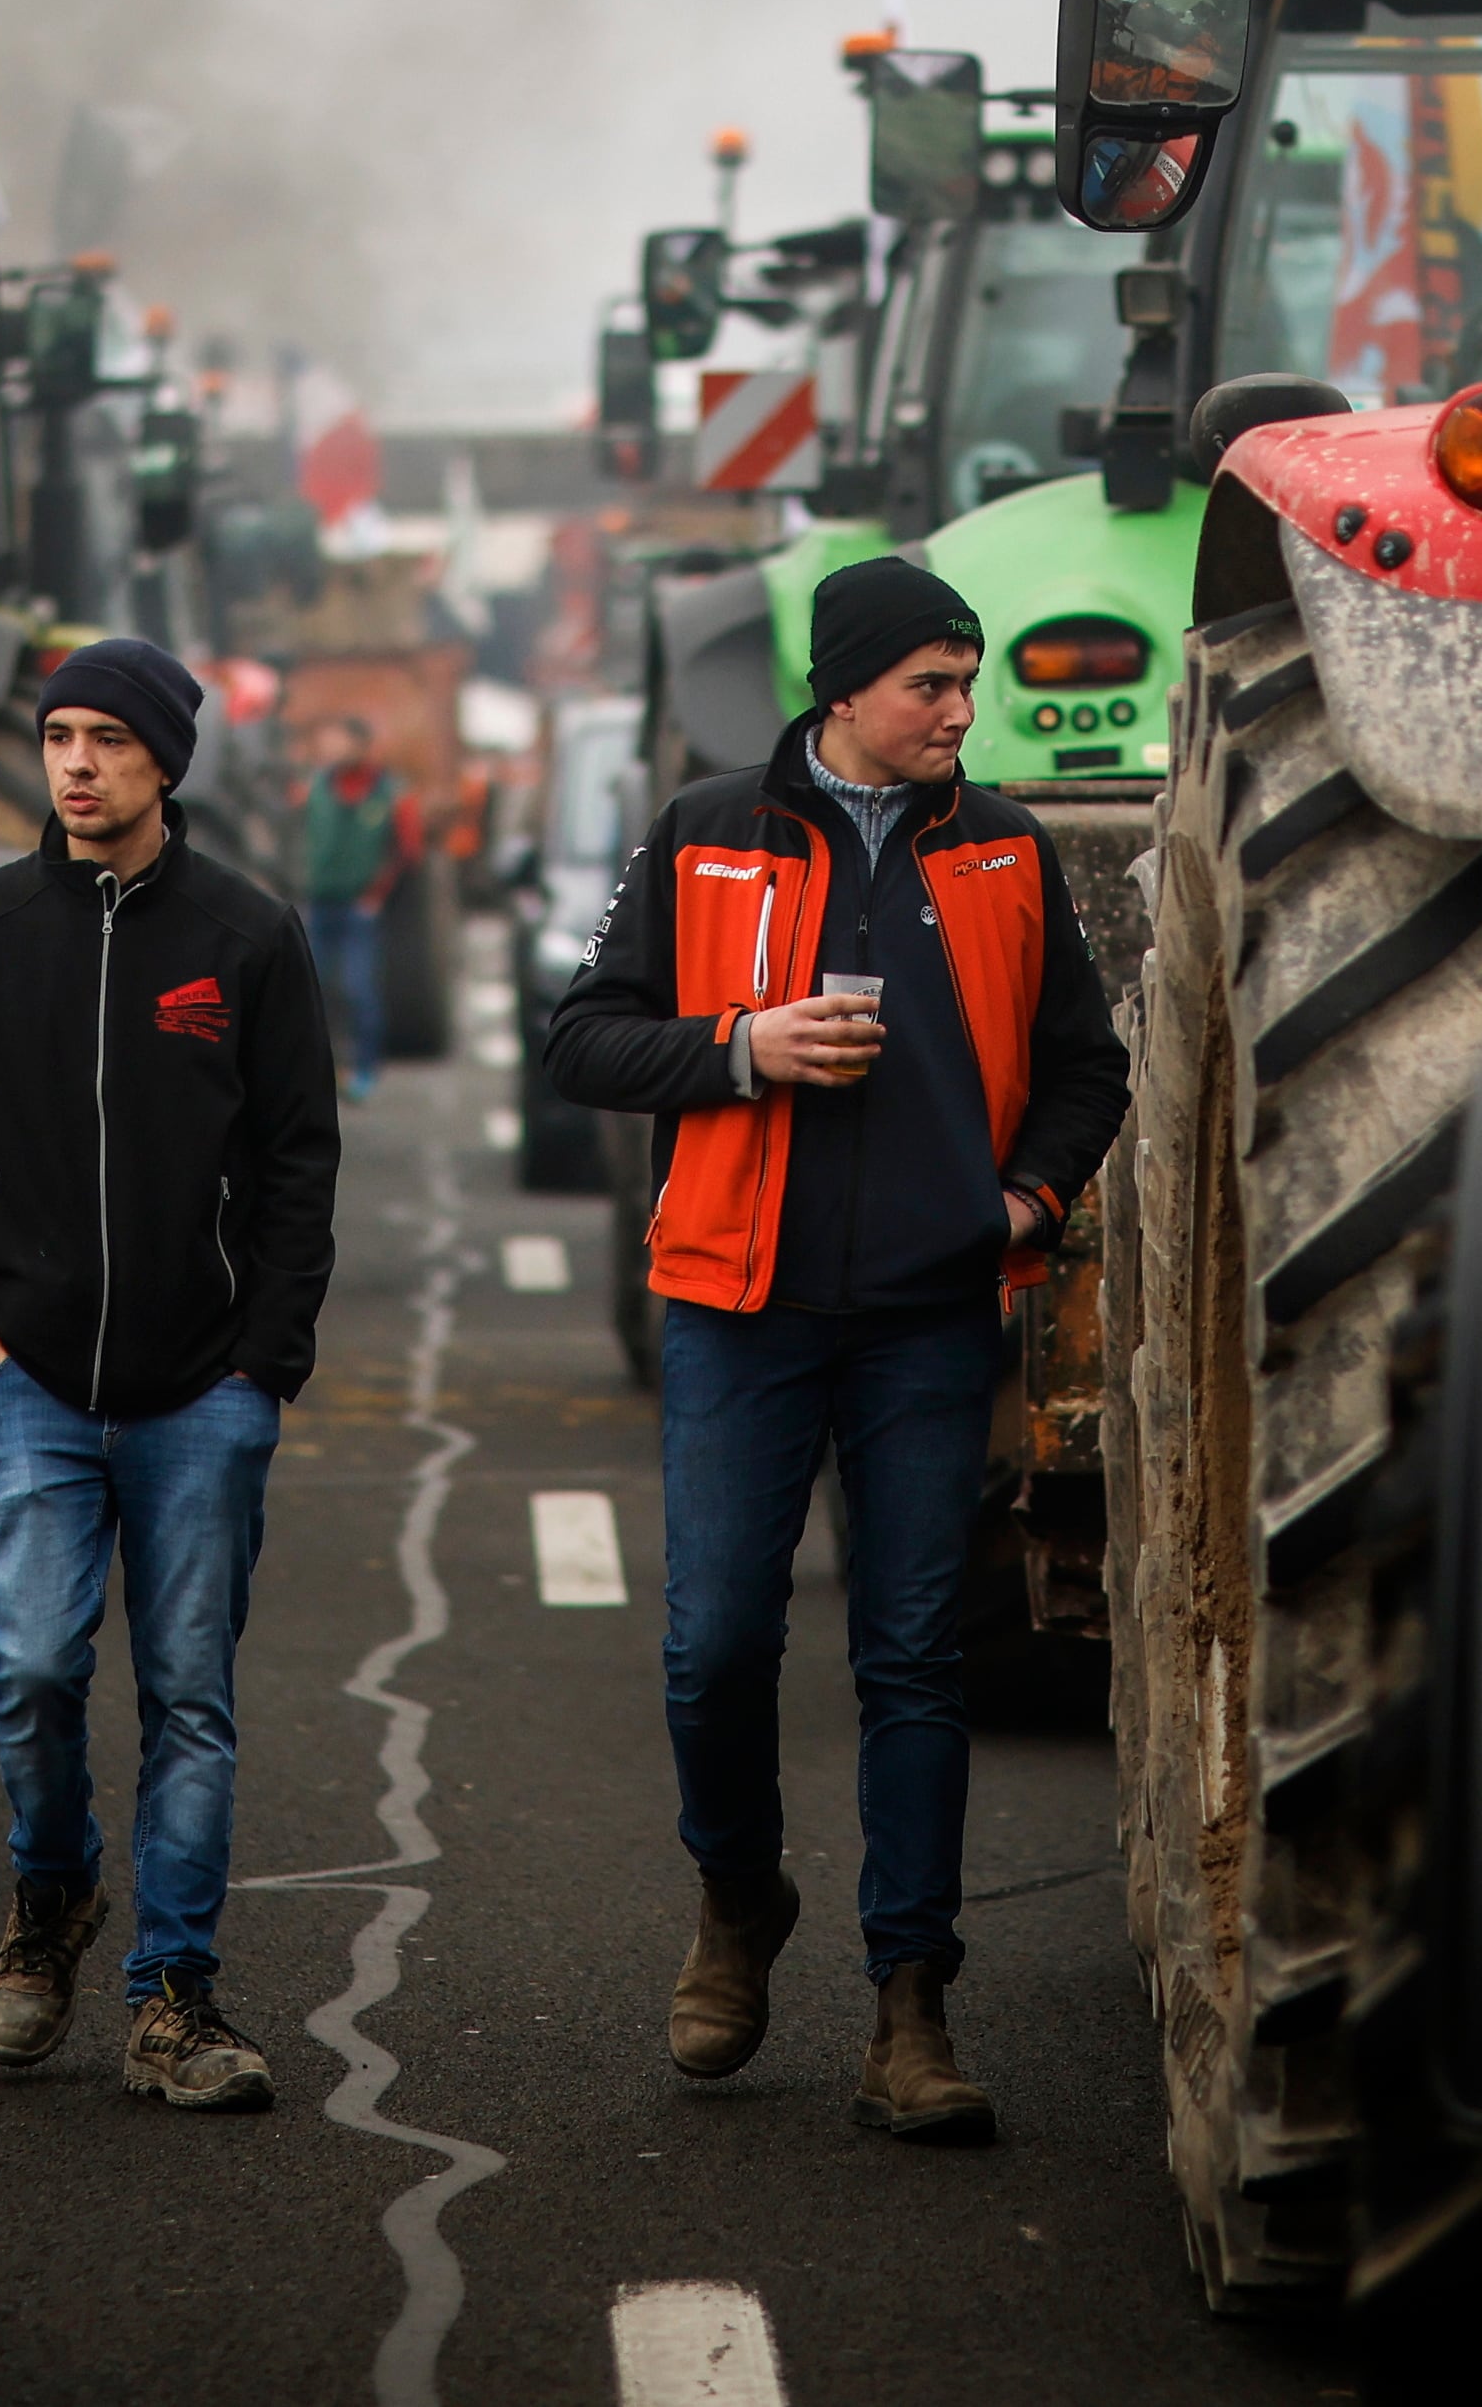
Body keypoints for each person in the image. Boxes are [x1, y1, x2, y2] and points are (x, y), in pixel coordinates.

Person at [542, 555, 1126, 2145]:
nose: (962, 709)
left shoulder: (1004, 846)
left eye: (968, 677)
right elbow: (580, 1035)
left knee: (913, 1654)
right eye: (933, 682)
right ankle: (740, 1901)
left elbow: (1088, 1064)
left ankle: (910, 2005)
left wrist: (1026, 1200)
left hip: (930, 1316)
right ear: (845, 689)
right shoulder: (706, 830)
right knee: (716, 1643)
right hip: (739, 1306)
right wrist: (744, 1047)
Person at [0, 635, 338, 2112]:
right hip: (24, 1375)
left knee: (190, 1690)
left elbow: (294, 1161)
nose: (76, 762)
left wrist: (266, 1358)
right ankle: (52, 1889)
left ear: (164, 763)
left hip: (200, 1389)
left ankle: (173, 1996)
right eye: (61, 735)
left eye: (109, 740)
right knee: (32, 1665)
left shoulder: (247, 937)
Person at [292, 714, 420, 1105]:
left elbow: (408, 850)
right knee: (308, 992)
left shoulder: (393, 794)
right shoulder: (312, 788)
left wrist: (376, 894)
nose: (333, 750)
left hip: (358, 908)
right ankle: (313, 1073)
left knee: (358, 988)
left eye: (342, 742)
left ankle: (364, 1068)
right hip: (317, 904)